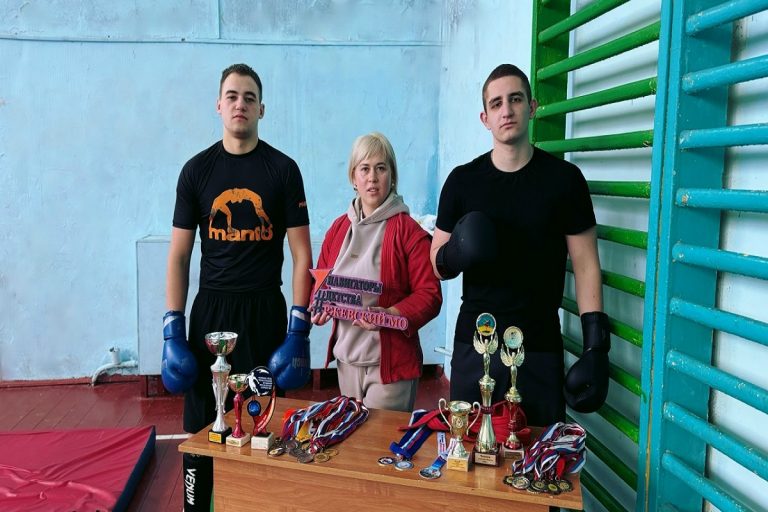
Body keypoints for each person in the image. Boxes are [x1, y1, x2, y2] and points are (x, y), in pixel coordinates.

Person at [161, 63, 313, 511]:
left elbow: (302, 254)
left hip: (265, 313)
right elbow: (179, 255)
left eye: (249, 97)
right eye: (232, 96)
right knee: (203, 429)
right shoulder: (196, 171)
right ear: (218, 105)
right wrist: (172, 329)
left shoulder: (283, 170)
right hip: (211, 315)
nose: (240, 104)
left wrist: (299, 328)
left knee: (264, 428)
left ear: (261, 109)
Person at [430, 64, 610, 428]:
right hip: (475, 343)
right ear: (485, 118)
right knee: (470, 449)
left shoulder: (565, 181)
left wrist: (597, 346)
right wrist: (458, 251)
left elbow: (586, 264)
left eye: (515, 99)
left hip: (539, 345)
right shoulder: (462, 181)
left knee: (537, 454)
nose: (506, 110)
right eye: (496, 103)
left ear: (532, 107)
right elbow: (436, 262)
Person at [311, 132, 442, 412]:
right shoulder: (337, 229)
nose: (372, 177)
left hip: (390, 368)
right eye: (365, 169)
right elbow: (321, 282)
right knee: (350, 436)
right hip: (346, 361)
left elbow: (430, 295)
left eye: (381, 168)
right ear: (353, 178)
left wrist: (390, 315)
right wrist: (319, 303)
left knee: (378, 441)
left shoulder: (409, 231)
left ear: (392, 177)